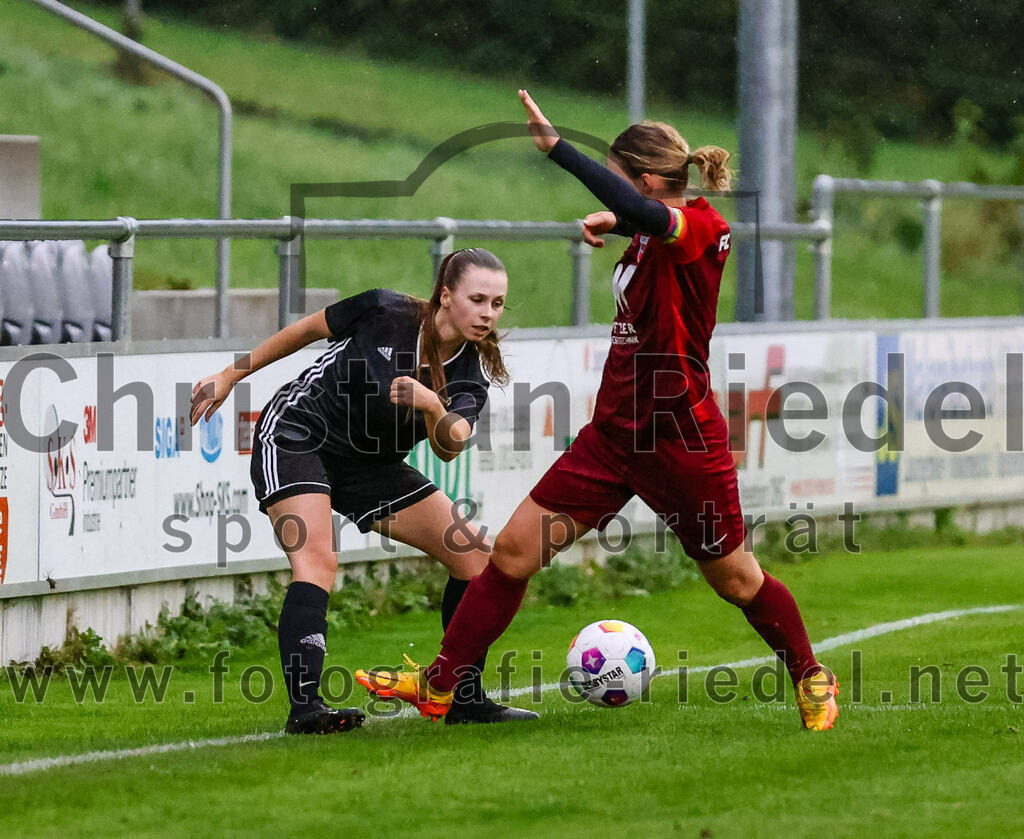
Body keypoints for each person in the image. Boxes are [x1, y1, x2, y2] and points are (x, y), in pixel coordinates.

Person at [355, 91, 839, 731]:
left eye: (618, 180)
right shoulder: (652, 233)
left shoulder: (702, 228)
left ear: (638, 180)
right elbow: (646, 219)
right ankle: (440, 687)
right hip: (613, 438)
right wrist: (622, 223)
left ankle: (811, 678)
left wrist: (559, 151)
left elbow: (660, 222)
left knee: (737, 581)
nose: (613, 195)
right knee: (511, 556)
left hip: (679, 438)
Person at [190, 247, 538, 733]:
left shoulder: (469, 373)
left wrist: (432, 408)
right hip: (298, 433)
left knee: (475, 558)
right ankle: (306, 710)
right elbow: (307, 330)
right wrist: (231, 374)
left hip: (371, 464)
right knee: (318, 561)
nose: (487, 313)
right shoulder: (385, 310)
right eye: (477, 299)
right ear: (445, 296)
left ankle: (462, 696)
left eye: (497, 304)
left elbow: (451, 445)